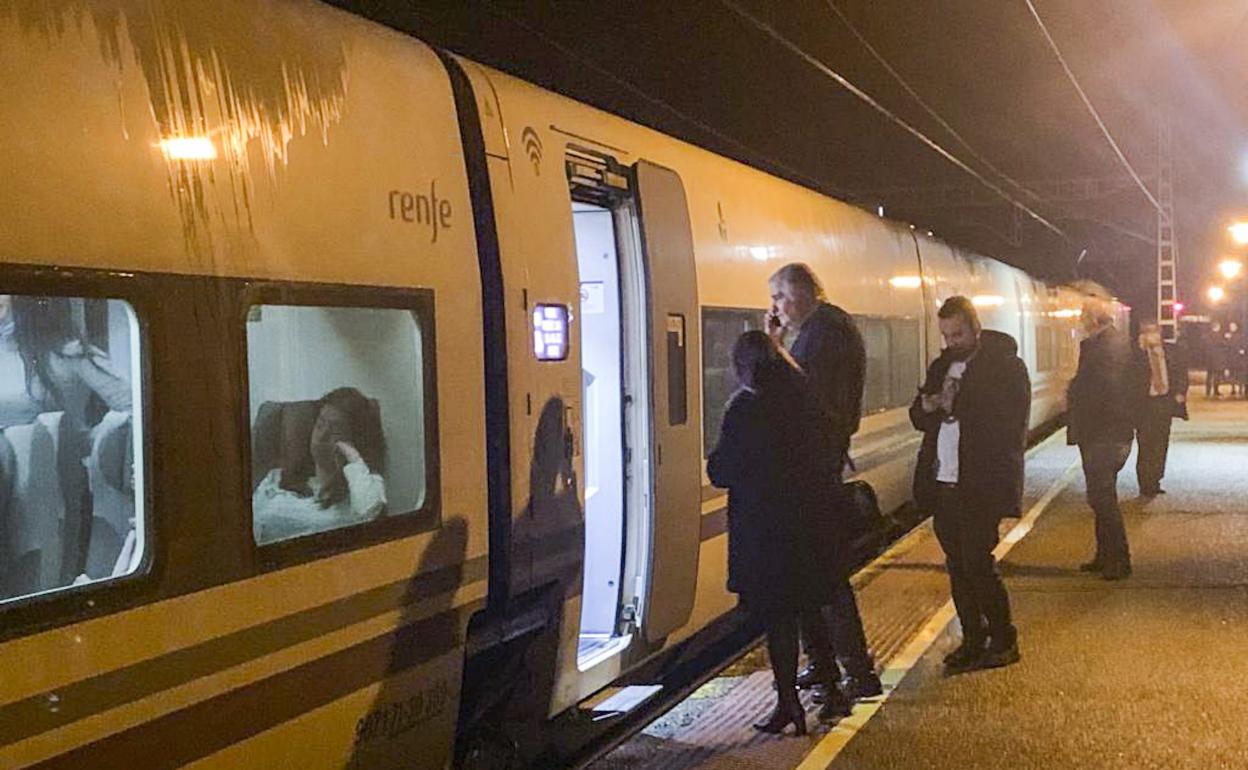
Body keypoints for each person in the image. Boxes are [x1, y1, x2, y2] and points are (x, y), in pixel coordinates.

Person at [707, 331, 851, 735]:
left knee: (779, 621)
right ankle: (833, 691)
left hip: (766, 533)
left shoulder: (746, 408)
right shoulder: (807, 398)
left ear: (745, 367)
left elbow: (721, 470)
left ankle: (788, 704)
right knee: (810, 609)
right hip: (809, 525)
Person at [767, 263, 881, 704]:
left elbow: (805, 396)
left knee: (826, 578)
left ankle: (857, 671)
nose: (775, 307)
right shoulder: (826, 328)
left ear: (801, 292)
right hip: (817, 465)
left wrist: (775, 349)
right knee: (812, 577)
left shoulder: (825, 333)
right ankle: (826, 664)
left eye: (779, 296)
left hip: (816, 470)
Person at [911, 297, 1029, 673]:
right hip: (944, 481)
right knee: (958, 567)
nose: (951, 342)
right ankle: (973, 639)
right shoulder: (940, 365)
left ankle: (1004, 638)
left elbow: (1009, 424)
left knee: (978, 564)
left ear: (976, 328)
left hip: (980, 484)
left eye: (958, 333)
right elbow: (918, 415)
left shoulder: (1005, 368)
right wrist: (930, 407)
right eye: (945, 335)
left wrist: (956, 405)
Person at [253, 387, 387, 544]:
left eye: (335, 429)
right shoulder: (277, 478)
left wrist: (354, 458)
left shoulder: (365, 486)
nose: (322, 435)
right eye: (321, 423)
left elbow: (367, 512)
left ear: (353, 439)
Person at [1067, 296, 1136, 580]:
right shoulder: (1116, 343)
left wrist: (1075, 395)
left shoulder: (1103, 347)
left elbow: (1102, 389)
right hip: (1110, 431)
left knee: (1102, 499)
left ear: (1095, 319)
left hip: (1103, 433)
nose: (1080, 322)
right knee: (1101, 497)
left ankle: (1119, 560)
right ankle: (1104, 555)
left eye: (1084, 316)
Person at [1134, 323, 1188, 496]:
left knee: (1161, 442)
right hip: (1145, 404)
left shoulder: (1172, 351)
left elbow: (1181, 373)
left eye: (1153, 332)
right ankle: (1145, 482)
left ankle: (1156, 478)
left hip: (1164, 402)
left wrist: (1180, 392)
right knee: (1145, 443)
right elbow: (1129, 378)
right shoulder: (1137, 355)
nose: (1151, 336)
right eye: (1146, 332)